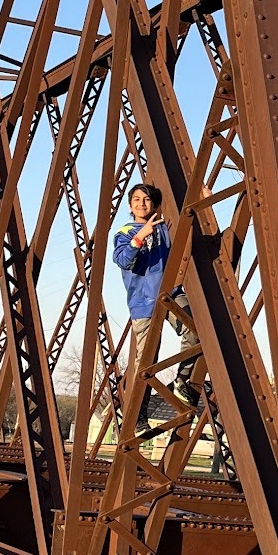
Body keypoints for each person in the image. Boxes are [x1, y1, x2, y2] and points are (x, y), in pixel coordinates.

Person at [112, 182, 200, 433]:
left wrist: (203, 199)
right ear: (130, 206)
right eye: (137, 200)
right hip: (143, 303)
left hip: (170, 294)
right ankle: (138, 419)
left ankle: (181, 380)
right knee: (146, 363)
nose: (142, 203)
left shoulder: (164, 229)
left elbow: (189, 221)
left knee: (194, 329)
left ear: (156, 205)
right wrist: (140, 236)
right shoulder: (126, 231)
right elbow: (122, 260)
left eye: (147, 200)